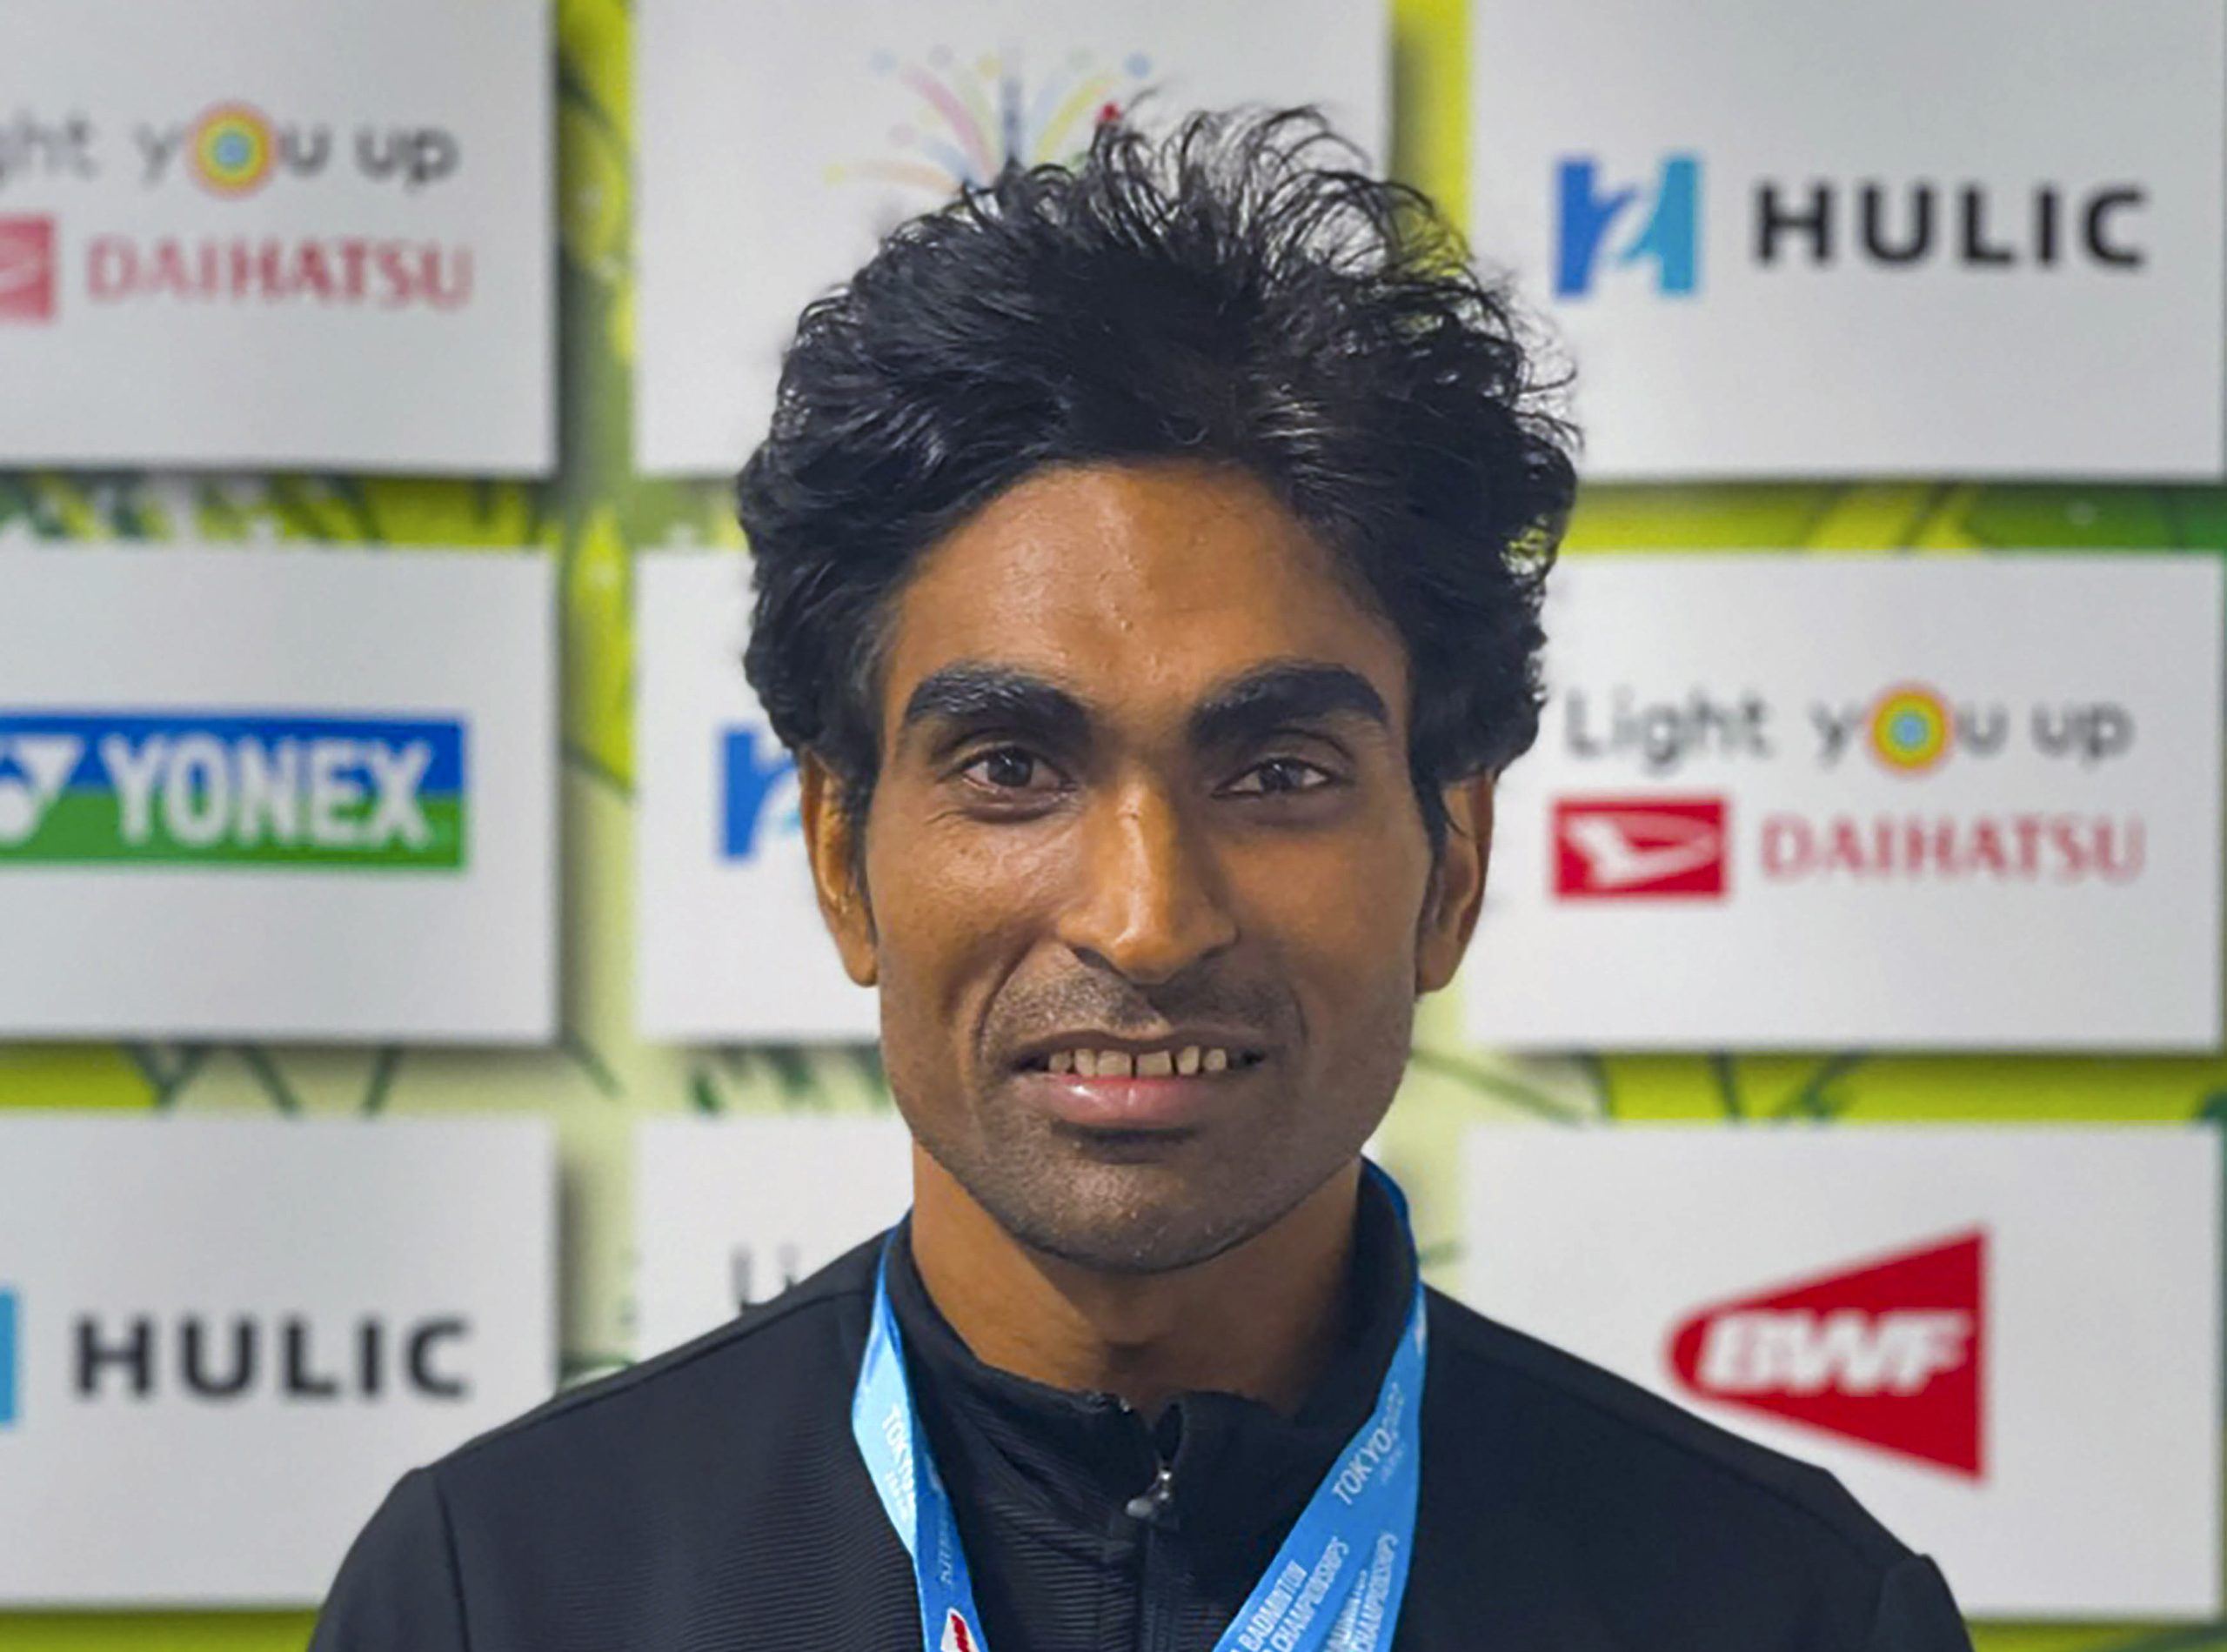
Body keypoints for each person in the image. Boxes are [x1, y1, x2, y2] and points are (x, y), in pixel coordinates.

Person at [312, 109, 1971, 1651]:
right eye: (1011, 768)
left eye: (1278, 774)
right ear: (840, 858)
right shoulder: (504, 1590)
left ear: (1452, 865)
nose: (1146, 918)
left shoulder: (1795, 1616)